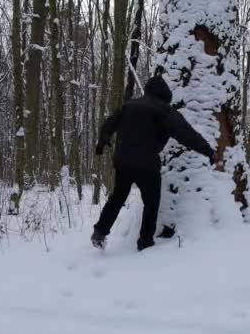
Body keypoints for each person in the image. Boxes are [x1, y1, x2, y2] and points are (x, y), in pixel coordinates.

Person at [92, 75, 216, 251]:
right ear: (165, 95)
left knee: (118, 197)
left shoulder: (129, 105)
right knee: (151, 203)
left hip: (123, 161)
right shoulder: (164, 110)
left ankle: (100, 232)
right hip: (147, 164)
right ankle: (145, 242)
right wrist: (208, 151)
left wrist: (103, 140)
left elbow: (110, 122)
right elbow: (185, 133)